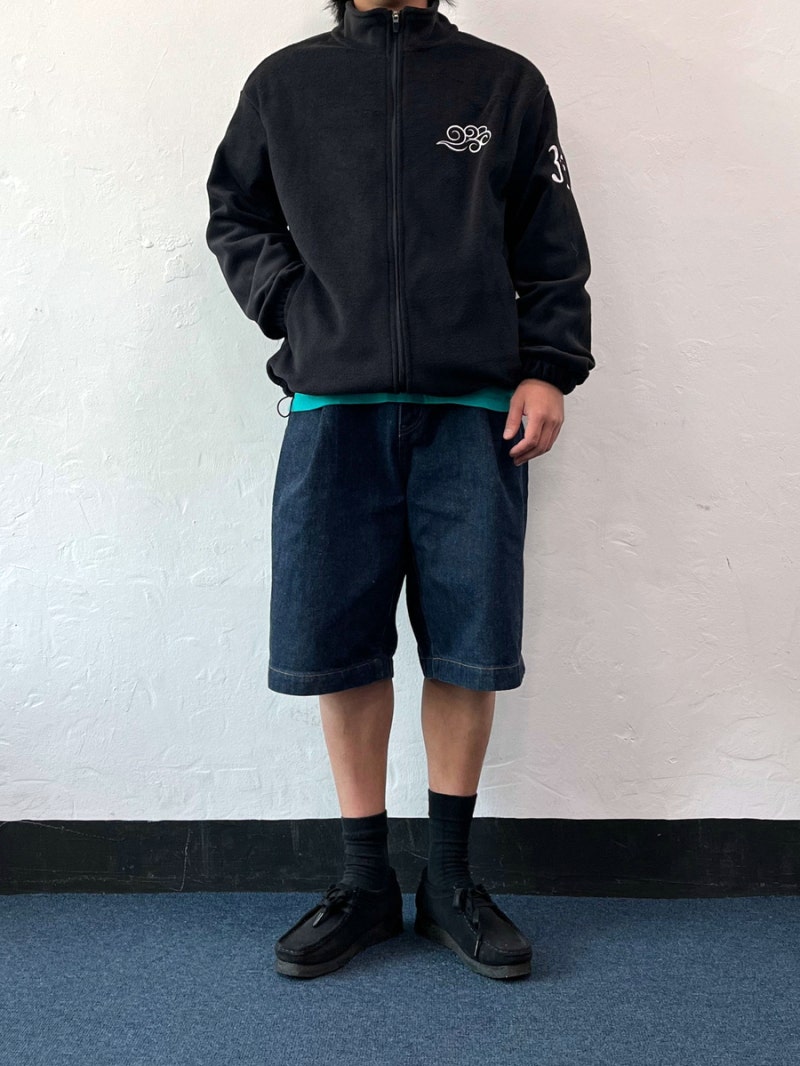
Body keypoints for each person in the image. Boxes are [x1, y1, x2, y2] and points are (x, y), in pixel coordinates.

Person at [205, 0, 594, 981]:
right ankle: (364, 882)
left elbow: (548, 238)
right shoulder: (285, 84)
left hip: (475, 413)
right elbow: (234, 213)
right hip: (333, 410)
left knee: (468, 645)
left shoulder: (502, 83)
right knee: (338, 646)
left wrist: (549, 365)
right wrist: (292, 304)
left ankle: (450, 882)